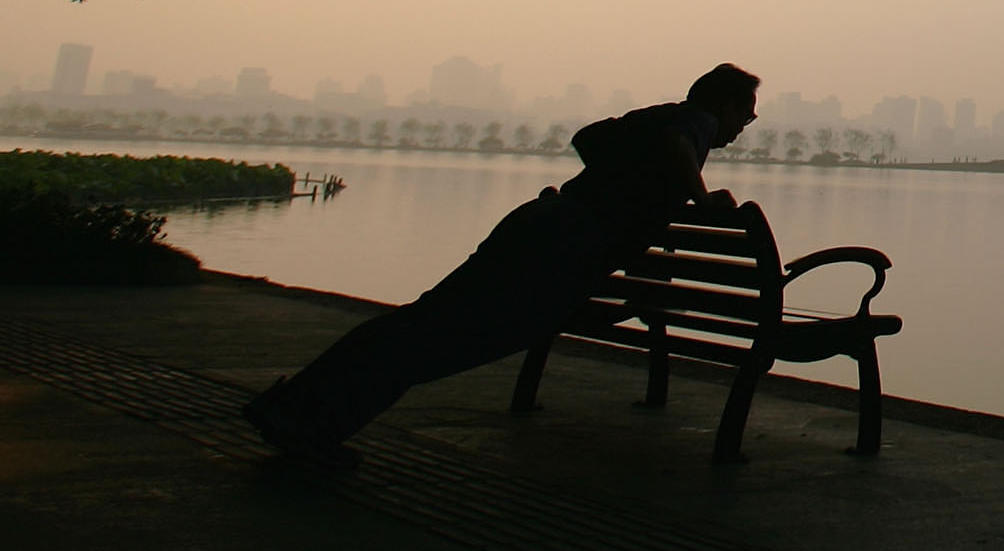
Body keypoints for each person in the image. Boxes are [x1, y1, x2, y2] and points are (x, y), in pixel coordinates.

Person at [243, 63, 761, 469]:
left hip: (544, 220)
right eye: (747, 114)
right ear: (724, 103)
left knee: (422, 320)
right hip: (564, 246)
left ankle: (295, 407)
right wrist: (700, 198)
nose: (744, 127)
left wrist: (624, 185)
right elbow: (678, 146)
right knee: (444, 338)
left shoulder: (651, 117)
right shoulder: (695, 119)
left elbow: (587, 138)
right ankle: (311, 426)